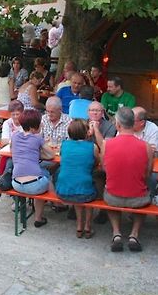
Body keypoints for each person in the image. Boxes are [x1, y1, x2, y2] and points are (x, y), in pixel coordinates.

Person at [102, 107, 153, 252]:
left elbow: (104, 169)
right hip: (138, 199)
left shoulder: (107, 144)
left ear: (117, 124)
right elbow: (147, 174)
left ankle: (116, 233)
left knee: (109, 192)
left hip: (113, 197)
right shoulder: (146, 147)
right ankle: (134, 234)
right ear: (133, 124)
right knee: (144, 191)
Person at [11, 109, 55, 227]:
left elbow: (12, 150)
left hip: (15, 183)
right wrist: (37, 153)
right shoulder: (37, 138)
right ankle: (40, 216)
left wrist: (32, 152)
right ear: (33, 127)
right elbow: (51, 155)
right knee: (45, 174)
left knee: (42, 173)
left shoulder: (15, 136)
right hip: (34, 186)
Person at [55, 119, 98, 238]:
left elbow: (62, 162)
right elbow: (96, 163)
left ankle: (79, 226)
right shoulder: (92, 147)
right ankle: (88, 226)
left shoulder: (64, 145)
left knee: (77, 185)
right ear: (86, 132)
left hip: (63, 191)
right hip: (84, 192)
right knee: (89, 188)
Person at [0, 100, 24, 175]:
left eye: (17, 114)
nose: (15, 117)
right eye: (13, 114)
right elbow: (4, 141)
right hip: (10, 152)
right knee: (10, 162)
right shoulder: (7, 123)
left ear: (22, 113)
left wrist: (12, 141)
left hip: (23, 152)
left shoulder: (26, 122)